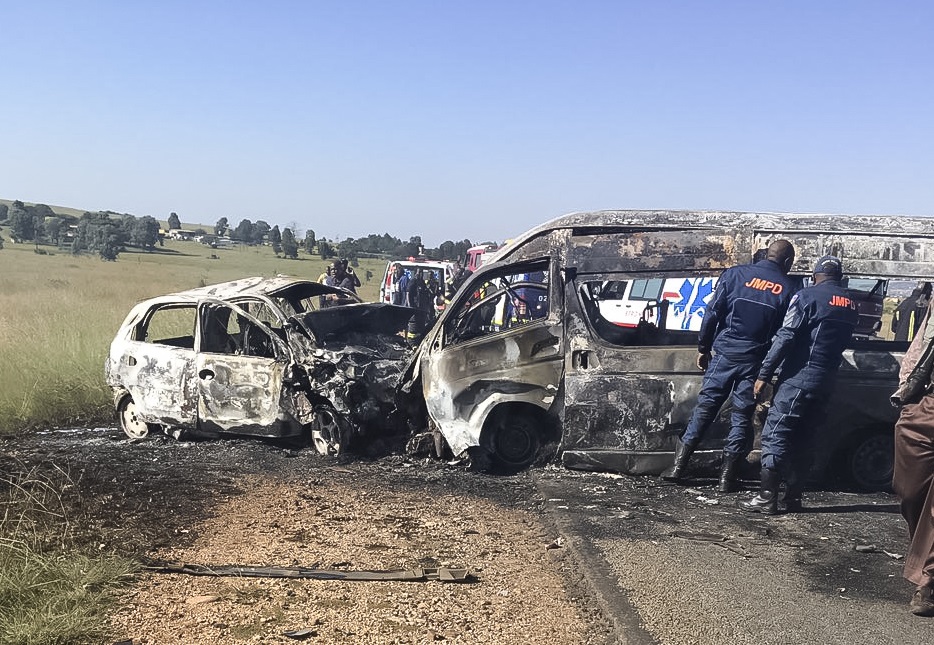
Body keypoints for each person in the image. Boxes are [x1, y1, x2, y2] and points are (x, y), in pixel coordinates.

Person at [663, 239, 797, 492]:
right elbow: (784, 334)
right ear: (788, 261)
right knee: (741, 417)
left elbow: (712, 313)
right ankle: (726, 478)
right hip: (754, 361)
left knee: (706, 408)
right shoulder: (789, 288)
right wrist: (768, 370)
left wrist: (703, 347)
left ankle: (678, 467)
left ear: (767, 254)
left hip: (725, 354)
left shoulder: (735, 275)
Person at [740, 255, 859, 514]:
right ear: (839, 277)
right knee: (806, 437)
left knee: (776, 433)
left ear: (815, 276)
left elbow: (785, 337)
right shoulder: (851, 304)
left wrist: (764, 374)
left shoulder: (807, 297)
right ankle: (793, 497)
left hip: (799, 378)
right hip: (827, 381)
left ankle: (767, 497)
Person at [890, 298, 934, 616]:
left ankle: (929, 581)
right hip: (926, 402)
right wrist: (907, 389)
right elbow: (923, 341)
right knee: (909, 491)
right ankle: (923, 556)